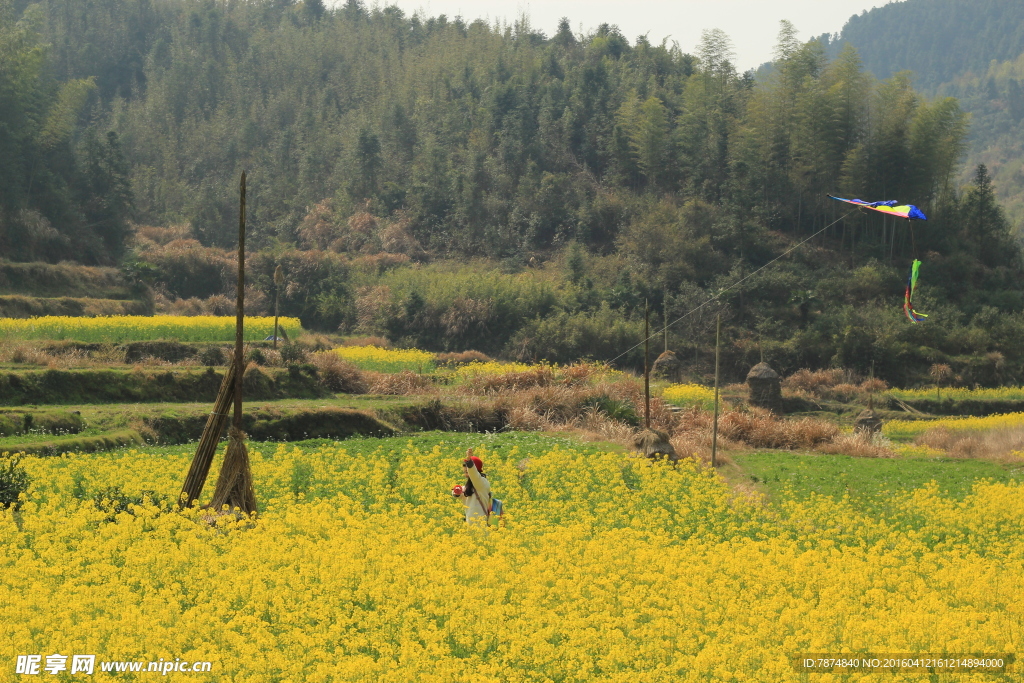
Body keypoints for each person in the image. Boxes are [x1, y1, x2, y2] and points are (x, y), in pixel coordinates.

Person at [451, 448, 491, 524]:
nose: (465, 471)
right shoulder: (470, 485)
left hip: (480, 525)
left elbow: (474, 474)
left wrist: (469, 461)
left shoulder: (481, 483)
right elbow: (461, 493)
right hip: (471, 525)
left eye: (467, 470)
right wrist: (456, 492)